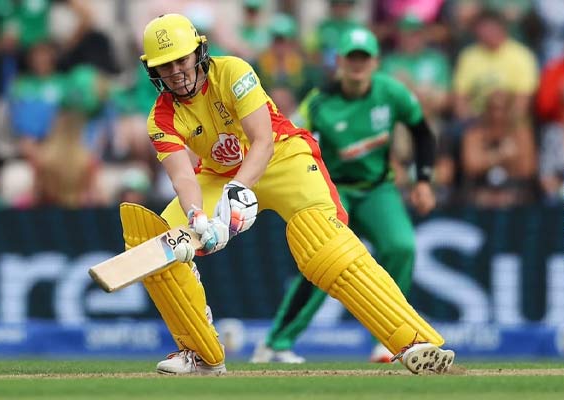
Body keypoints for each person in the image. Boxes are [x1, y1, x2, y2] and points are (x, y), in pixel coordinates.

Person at [128, 13, 455, 375]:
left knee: (324, 245)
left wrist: (237, 192)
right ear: (151, 70)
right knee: (161, 247)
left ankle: (412, 342)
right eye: (165, 66)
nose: (176, 72)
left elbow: (263, 142)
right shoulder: (160, 118)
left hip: (283, 158)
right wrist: (198, 218)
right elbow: (183, 178)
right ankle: (199, 353)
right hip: (218, 176)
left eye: (181, 60)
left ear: (199, 52)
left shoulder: (233, 71)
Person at [251, 26, 440, 364]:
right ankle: (277, 343)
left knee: (401, 246)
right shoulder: (320, 100)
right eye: (351, 58)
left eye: (363, 58)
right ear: (338, 61)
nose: (357, 65)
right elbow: (288, 138)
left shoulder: (391, 92)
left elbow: (421, 131)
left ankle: (392, 340)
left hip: (377, 189)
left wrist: (422, 180)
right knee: (324, 261)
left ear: (375, 61)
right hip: (332, 189)